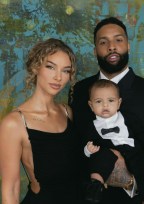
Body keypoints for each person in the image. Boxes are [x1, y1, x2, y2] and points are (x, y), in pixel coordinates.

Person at [69, 16, 144, 204]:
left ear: (128, 45)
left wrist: (131, 183)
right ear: (95, 50)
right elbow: (74, 145)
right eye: (103, 42)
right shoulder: (79, 90)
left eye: (118, 40)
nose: (111, 46)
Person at [0, 38, 80, 204]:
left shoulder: (67, 112)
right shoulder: (14, 123)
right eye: (50, 67)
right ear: (36, 67)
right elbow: (11, 188)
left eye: (66, 71)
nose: (58, 77)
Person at [84, 79, 144, 204]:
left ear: (119, 103)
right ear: (91, 105)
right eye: (99, 101)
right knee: (99, 158)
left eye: (111, 101)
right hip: (108, 155)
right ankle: (95, 186)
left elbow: (142, 134)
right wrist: (88, 150)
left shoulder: (129, 118)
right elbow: (87, 143)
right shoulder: (90, 125)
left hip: (133, 152)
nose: (105, 105)